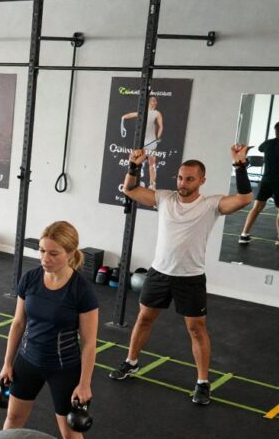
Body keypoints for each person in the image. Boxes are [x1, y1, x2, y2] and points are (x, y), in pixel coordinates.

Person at [108, 145, 254, 405]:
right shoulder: (164, 198)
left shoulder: (211, 204)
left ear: (202, 180)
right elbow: (130, 189)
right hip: (159, 273)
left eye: (189, 178)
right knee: (143, 319)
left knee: (196, 329)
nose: (183, 183)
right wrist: (133, 166)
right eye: (180, 177)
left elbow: (244, 199)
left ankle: (202, 382)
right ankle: (131, 362)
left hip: (190, 278)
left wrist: (240, 167)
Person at [0, 221, 98, 439]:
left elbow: (88, 343)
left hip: (64, 368)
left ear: (71, 254)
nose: (46, 258)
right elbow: (18, 324)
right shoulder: (30, 279)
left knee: (70, 436)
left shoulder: (81, 291)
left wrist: (84, 384)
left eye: (53, 253)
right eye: (42, 251)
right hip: (28, 361)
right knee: (13, 420)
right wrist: (7, 363)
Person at [238, 121, 279, 245]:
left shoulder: (268, 143)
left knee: (256, 208)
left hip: (266, 181)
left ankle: (244, 235)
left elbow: (261, 148)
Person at [121, 95, 164, 189]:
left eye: (155, 101)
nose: (154, 102)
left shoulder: (157, 113)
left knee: (152, 164)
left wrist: (158, 137)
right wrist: (123, 118)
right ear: (148, 102)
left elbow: (160, 126)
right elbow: (129, 115)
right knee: (134, 161)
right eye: (152, 101)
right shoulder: (142, 112)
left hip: (152, 141)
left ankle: (152, 184)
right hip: (141, 142)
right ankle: (132, 181)